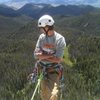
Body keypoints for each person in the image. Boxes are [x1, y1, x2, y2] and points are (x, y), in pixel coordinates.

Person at [34, 14, 66, 100]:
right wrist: (52, 55)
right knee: (44, 94)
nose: (40, 30)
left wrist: (42, 56)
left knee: (54, 95)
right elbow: (36, 55)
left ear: (46, 27)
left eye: (41, 28)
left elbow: (58, 59)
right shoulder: (41, 38)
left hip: (53, 70)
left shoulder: (60, 39)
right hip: (42, 69)